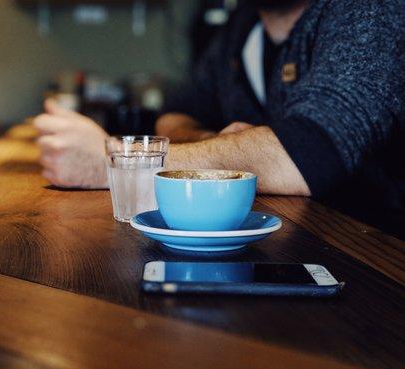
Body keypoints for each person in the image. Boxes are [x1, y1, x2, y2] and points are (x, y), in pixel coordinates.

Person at [34, 0, 404, 238]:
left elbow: (307, 156)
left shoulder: (371, 11)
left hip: (378, 267)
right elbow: (175, 115)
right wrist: (222, 144)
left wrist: (115, 163)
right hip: (287, 248)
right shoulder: (242, 27)